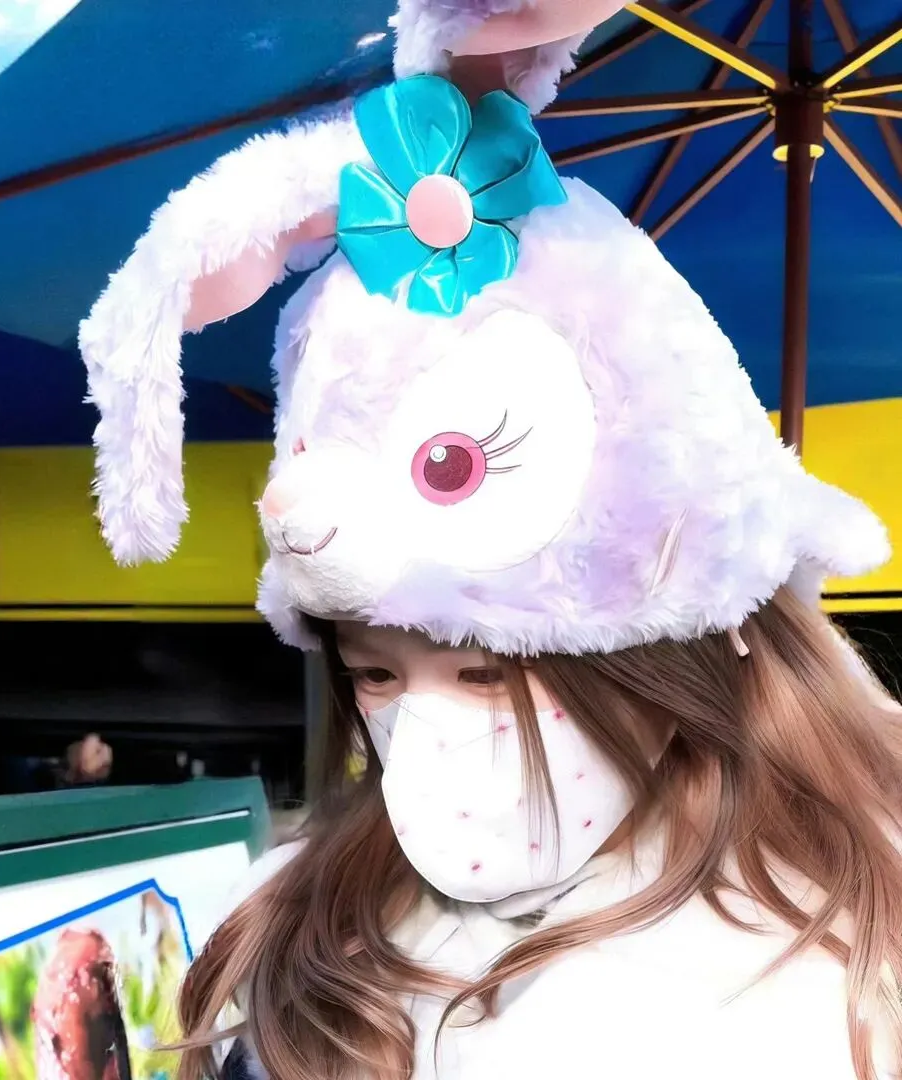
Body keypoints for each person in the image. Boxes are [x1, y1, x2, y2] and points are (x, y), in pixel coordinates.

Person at [78, 2, 901, 1078]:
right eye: (375, 673)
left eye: (483, 671)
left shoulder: (840, 975)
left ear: (676, 650)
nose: (428, 729)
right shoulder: (300, 911)